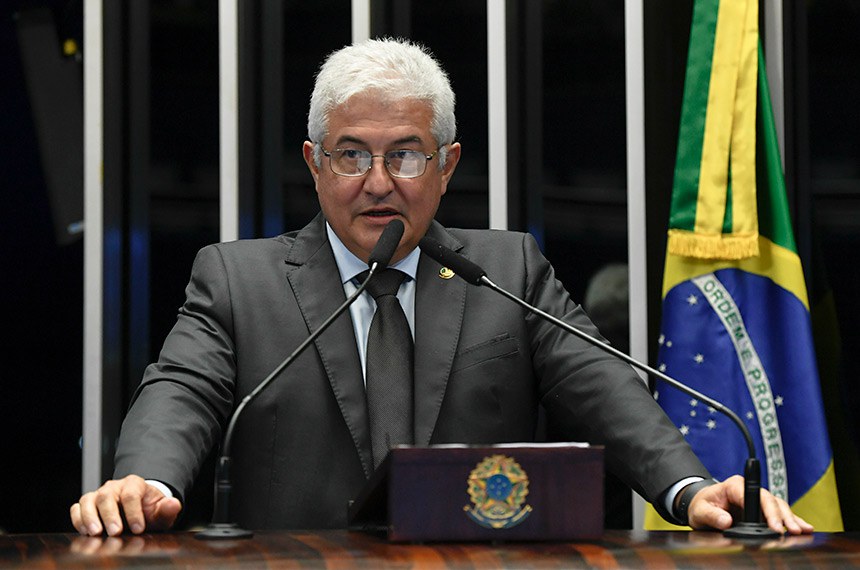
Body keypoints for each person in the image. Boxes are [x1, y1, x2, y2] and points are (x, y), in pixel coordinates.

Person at [70, 38, 812, 537]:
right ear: (314, 162)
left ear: (448, 165)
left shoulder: (509, 272)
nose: (379, 183)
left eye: (407, 156)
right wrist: (143, 481)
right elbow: (181, 392)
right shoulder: (238, 279)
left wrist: (689, 488)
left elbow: (606, 388)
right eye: (352, 155)